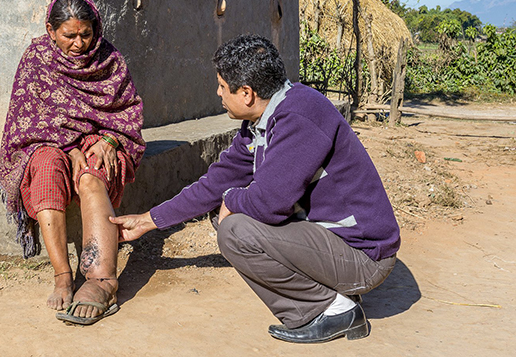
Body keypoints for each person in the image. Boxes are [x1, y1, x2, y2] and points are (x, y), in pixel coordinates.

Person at [111, 34, 400, 343]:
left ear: (246, 93)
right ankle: (332, 298)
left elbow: (269, 204)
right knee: (227, 215)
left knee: (236, 231)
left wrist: (230, 199)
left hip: (363, 257)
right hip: (332, 242)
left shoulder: (299, 116)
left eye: (222, 86)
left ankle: (334, 309)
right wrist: (147, 221)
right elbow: (217, 181)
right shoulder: (263, 120)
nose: (218, 93)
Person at [0, 0, 145, 325]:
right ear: (51, 31)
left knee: (92, 175)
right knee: (47, 168)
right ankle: (62, 274)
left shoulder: (109, 59)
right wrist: (68, 146)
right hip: (49, 140)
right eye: (69, 36)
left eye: (86, 34)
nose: (79, 43)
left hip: (100, 137)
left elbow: (128, 110)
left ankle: (101, 280)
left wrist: (109, 139)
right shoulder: (37, 58)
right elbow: (26, 117)